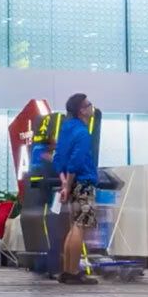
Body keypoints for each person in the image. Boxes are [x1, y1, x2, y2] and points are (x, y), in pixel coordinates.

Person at [55, 93, 100, 285]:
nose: (92, 108)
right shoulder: (82, 133)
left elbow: (59, 159)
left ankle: (67, 270)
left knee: (73, 226)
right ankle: (73, 271)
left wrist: (65, 183)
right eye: (89, 105)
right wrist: (70, 182)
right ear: (82, 110)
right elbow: (76, 161)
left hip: (71, 184)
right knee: (79, 227)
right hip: (83, 183)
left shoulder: (66, 129)